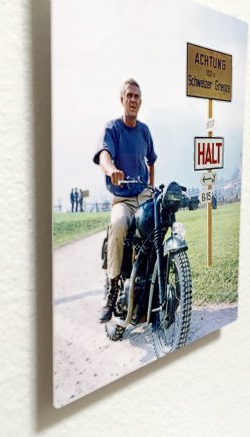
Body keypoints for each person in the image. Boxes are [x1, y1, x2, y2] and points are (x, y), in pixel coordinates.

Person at [93, 78, 157, 322]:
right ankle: (112, 290)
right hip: (123, 199)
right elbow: (104, 155)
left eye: (136, 96)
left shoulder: (144, 131)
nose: (133, 100)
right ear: (122, 100)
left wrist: (151, 187)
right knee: (119, 224)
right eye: (129, 95)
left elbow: (151, 160)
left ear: (141, 101)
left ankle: (156, 285)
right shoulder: (113, 128)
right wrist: (111, 171)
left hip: (144, 195)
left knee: (161, 222)